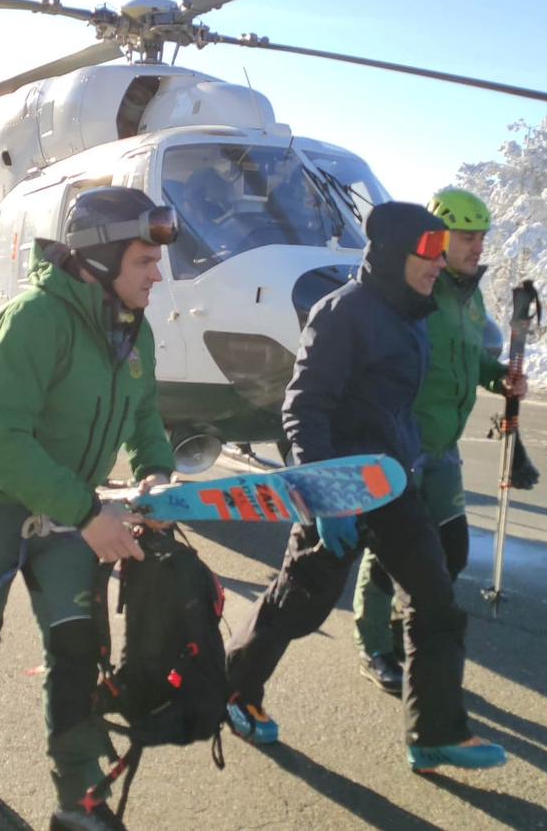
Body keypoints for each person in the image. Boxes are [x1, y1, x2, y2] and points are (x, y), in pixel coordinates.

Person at [223, 200, 508, 773]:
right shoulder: (344, 312)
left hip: (394, 483)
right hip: (342, 483)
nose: (437, 264)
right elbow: (304, 408)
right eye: (427, 252)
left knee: (435, 600)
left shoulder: (412, 315)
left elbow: (397, 403)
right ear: (393, 254)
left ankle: (435, 733)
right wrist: (325, 496)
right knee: (299, 605)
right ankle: (232, 689)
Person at [0, 186, 180, 831]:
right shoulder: (35, 318)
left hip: (69, 503)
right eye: (144, 261)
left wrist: (155, 472)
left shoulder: (133, 330)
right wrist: (89, 512)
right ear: (98, 261)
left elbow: (144, 413)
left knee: (76, 650)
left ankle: (79, 802)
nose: (157, 273)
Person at [351, 188, 527, 694]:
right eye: (467, 236)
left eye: (481, 236)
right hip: (402, 444)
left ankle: (411, 627)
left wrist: (500, 377)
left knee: (450, 552)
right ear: (440, 236)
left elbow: (469, 358)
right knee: (388, 552)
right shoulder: (416, 289)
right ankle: (374, 644)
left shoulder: (469, 299)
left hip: (443, 447)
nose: (477, 246)